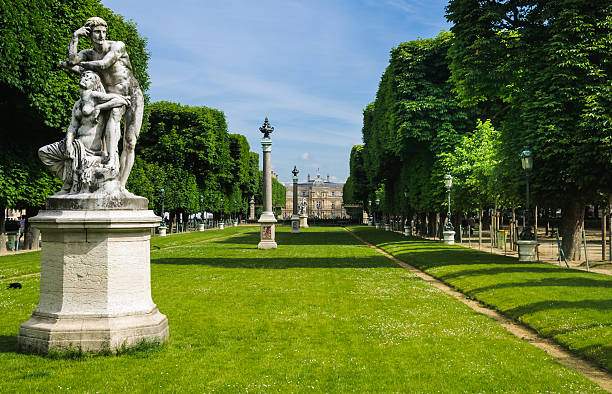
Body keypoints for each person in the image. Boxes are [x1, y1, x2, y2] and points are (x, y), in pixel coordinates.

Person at [61, 17, 144, 188]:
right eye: (97, 32)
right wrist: (75, 37)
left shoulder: (117, 46)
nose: (101, 35)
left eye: (104, 32)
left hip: (132, 95)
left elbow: (105, 63)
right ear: (89, 34)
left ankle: (121, 185)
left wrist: (81, 66)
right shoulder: (88, 53)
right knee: (106, 140)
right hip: (110, 98)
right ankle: (109, 181)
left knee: (130, 142)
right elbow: (71, 60)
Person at [39, 71, 130, 193]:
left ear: (94, 84)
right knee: (44, 153)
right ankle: (68, 181)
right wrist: (68, 145)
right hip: (76, 144)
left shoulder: (95, 96)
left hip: (91, 149)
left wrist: (99, 107)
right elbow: (72, 127)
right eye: (84, 76)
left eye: (89, 78)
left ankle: (69, 183)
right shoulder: (77, 104)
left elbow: (120, 100)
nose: (84, 78)